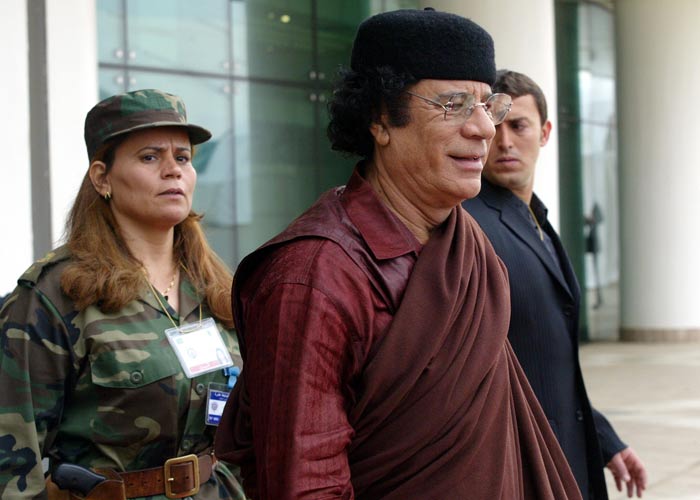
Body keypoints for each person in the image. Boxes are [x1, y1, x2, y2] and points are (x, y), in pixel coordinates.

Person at [215, 9, 583, 500]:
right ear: (380, 118)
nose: (484, 130)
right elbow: (305, 484)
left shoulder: (466, 247)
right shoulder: (315, 275)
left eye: (487, 106)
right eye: (453, 104)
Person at [0, 90, 245, 500]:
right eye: (150, 157)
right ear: (102, 178)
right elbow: (10, 468)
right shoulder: (54, 297)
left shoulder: (217, 290)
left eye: (182, 158)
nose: (173, 171)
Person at [463, 70, 647, 499]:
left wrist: (603, 438)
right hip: (518, 466)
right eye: (497, 125)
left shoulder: (538, 219)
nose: (505, 142)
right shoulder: (470, 225)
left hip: (566, 457)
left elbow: (545, 360)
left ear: (544, 133)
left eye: (519, 126)